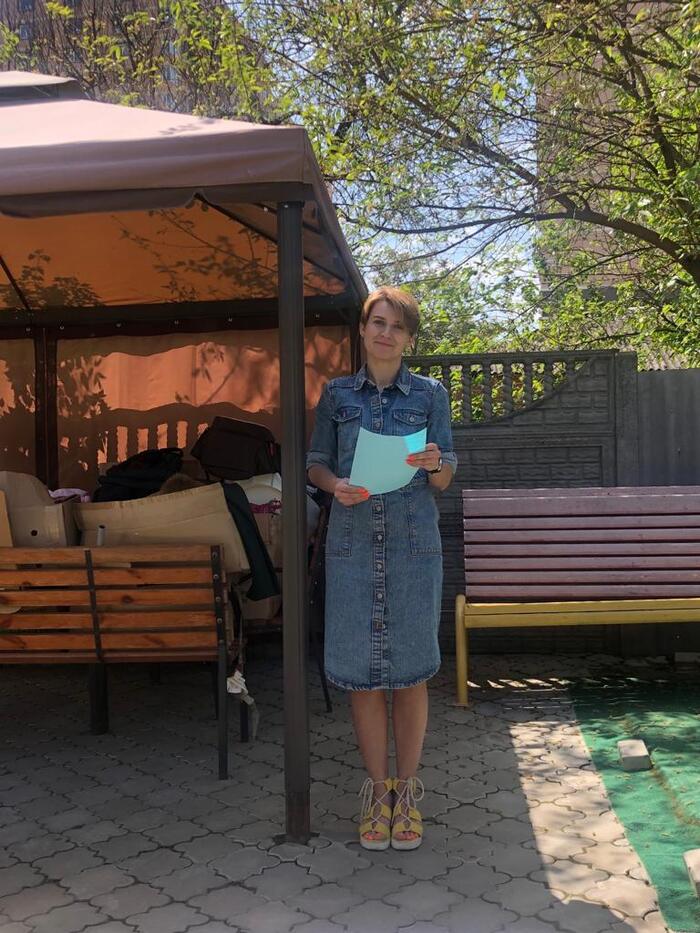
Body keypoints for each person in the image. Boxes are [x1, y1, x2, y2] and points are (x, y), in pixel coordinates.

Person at [307, 286, 456, 851]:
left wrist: (436, 462)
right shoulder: (337, 394)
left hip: (413, 548)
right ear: (363, 330)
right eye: (378, 322)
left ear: (409, 338)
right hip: (351, 545)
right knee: (362, 676)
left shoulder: (431, 395)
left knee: (411, 673)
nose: (386, 333)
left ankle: (407, 793)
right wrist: (335, 485)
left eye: (397, 326)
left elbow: (445, 475)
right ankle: (376, 792)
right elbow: (315, 463)